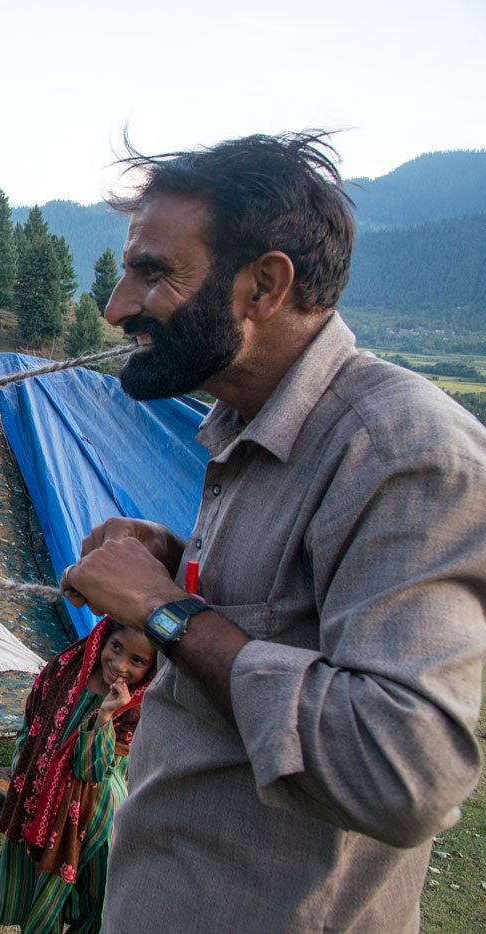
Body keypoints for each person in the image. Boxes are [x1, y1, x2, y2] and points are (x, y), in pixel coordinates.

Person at [59, 132, 486, 931]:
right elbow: (300, 618)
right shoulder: (247, 426)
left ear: (265, 285)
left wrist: (165, 611)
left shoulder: (405, 455)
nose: (117, 307)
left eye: (153, 273)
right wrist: (182, 566)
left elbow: (404, 773)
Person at [0, 619, 155, 932]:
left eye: (137, 660)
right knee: (38, 907)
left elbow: (91, 770)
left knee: (91, 910)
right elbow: (30, 724)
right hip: (39, 808)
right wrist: (25, 777)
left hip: (94, 821)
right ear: (103, 637)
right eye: (116, 647)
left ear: (151, 668)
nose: (119, 665)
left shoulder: (136, 709)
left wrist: (105, 714)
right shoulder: (64, 670)